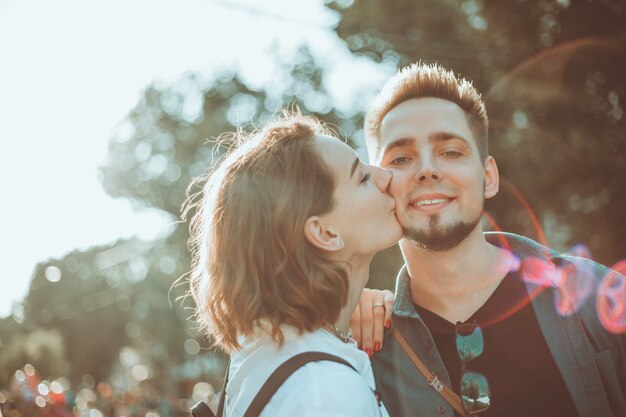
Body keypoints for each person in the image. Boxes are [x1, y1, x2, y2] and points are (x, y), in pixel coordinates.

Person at [355, 62, 625, 417]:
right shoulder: (363, 350)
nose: (426, 169)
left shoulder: (599, 295)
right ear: (379, 187)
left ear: (488, 177)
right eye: (401, 158)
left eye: (451, 151)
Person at [186, 112, 402, 417]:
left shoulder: (262, 351)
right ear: (324, 233)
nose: (385, 176)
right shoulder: (328, 393)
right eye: (362, 177)